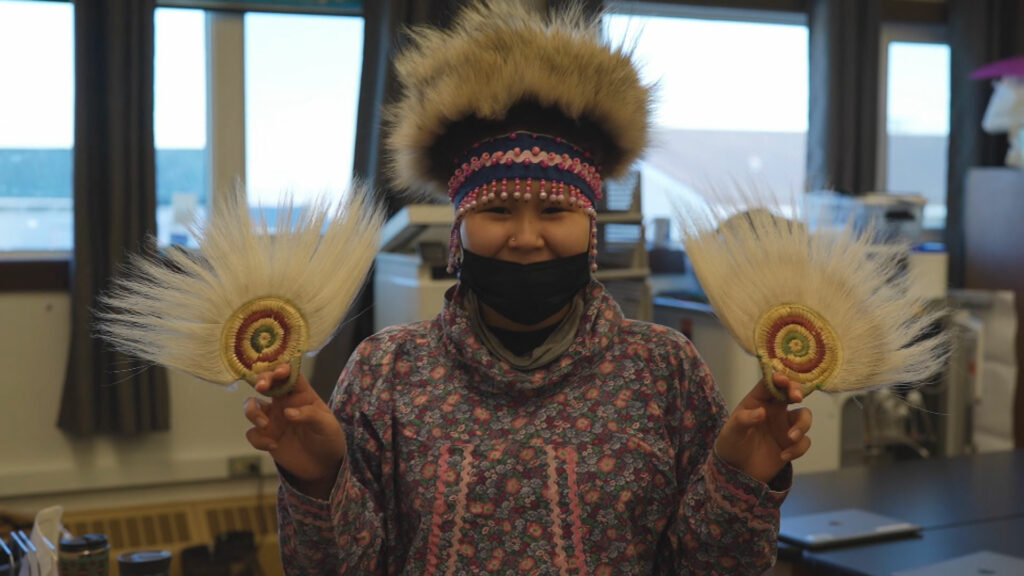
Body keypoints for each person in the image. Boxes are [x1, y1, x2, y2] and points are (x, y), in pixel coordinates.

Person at [243, 1, 812, 574]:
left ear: (590, 226)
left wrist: (741, 482)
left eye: (553, 210)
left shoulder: (664, 371)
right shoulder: (386, 372)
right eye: (497, 209)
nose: (525, 236)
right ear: (458, 227)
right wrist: (315, 479)